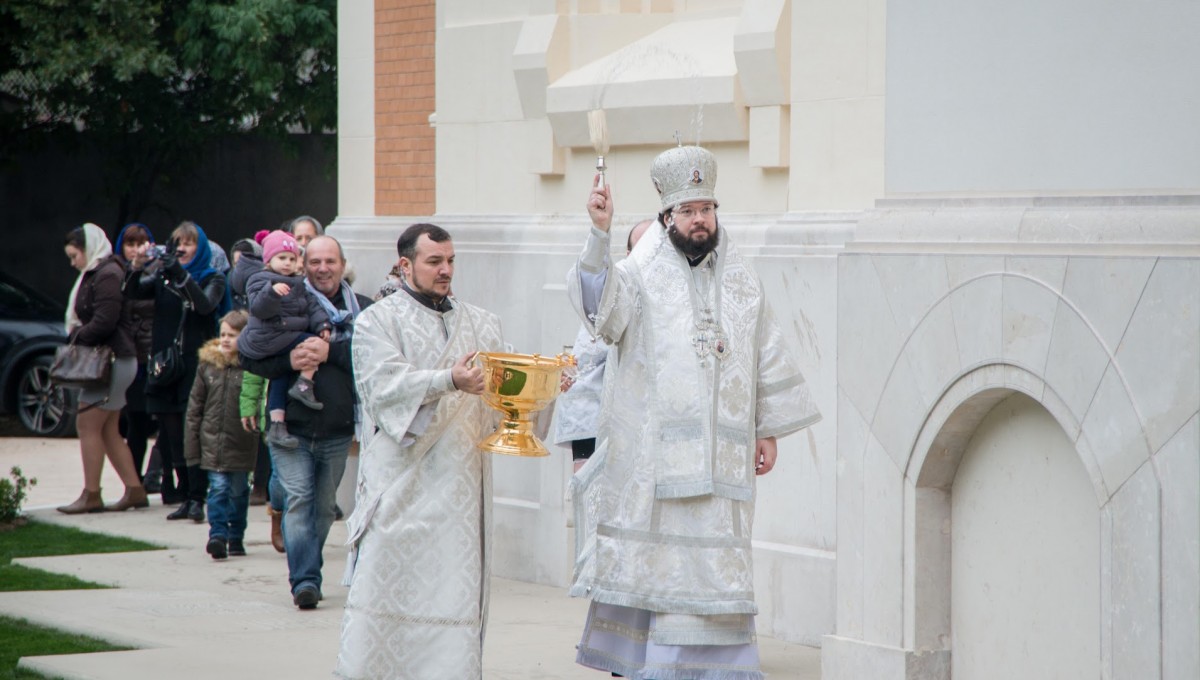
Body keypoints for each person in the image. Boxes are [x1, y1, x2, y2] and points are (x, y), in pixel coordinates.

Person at [566, 145, 822, 679]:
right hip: (652, 469)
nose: (700, 219)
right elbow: (601, 316)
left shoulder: (742, 277)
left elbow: (764, 348)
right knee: (657, 577)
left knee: (713, 578)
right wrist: (600, 234)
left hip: (722, 465)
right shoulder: (639, 272)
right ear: (668, 217)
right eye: (688, 211)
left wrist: (767, 429)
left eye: (707, 208)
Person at [335, 223, 504, 679]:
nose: (446, 270)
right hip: (402, 487)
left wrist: (541, 390)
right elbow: (382, 388)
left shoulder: (483, 323)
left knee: (453, 604)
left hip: (461, 493)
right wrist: (448, 379)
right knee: (387, 600)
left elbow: (501, 399)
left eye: (450, 261)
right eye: (435, 262)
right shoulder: (378, 321)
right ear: (405, 265)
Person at [239, 235, 371, 609]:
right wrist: (289, 363)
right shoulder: (283, 301)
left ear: (342, 265)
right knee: (298, 501)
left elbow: (373, 359)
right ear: (303, 265)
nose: (323, 269)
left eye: (330, 261)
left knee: (325, 507)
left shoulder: (364, 310)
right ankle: (305, 581)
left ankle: (307, 569)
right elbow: (250, 357)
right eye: (315, 262)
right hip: (290, 429)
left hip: (338, 427)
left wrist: (330, 351)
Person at [125, 221, 229, 522]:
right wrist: (138, 266)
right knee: (171, 434)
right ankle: (184, 493)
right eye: (176, 243)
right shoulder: (164, 277)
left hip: (193, 365)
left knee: (191, 431)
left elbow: (205, 306)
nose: (181, 248)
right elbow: (133, 293)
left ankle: (198, 496)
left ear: (202, 248)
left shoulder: (213, 277)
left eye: (188, 243)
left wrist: (180, 273)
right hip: (164, 364)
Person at [56, 224, 149, 514]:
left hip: (109, 362)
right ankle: (134, 490)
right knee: (108, 429)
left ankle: (91, 494)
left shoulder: (106, 273)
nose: (73, 263)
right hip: (115, 361)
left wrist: (76, 337)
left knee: (87, 425)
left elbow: (105, 321)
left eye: (74, 256)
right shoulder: (103, 271)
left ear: (88, 249)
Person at [555, 219, 652, 473]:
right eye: (644, 248)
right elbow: (584, 380)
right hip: (609, 441)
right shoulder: (616, 293)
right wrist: (584, 456)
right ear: (629, 255)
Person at [238, 230, 332, 448]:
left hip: (284, 336)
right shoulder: (260, 279)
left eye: (292, 258)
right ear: (268, 260)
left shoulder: (298, 283)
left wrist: (323, 324)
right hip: (271, 336)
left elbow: (313, 306)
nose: (288, 263)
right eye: (282, 258)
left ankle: (277, 425)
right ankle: (304, 384)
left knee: (279, 377)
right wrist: (271, 292)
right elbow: (259, 309)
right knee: (313, 344)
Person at [183, 309, 259, 559]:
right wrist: (192, 445)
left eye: (233, 335)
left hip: (242, 443)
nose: (225, 339)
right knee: (218, 489)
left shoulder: (252, 368)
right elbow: (195, 408)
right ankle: (217, 535)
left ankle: (236, 535)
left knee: (238, 492)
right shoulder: (208, 367)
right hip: (212, 442)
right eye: (223, 334)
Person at [113, 223, 157, 484]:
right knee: (135, 423)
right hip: (131, 356)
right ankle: (134, 482)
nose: (136, 250)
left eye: (141, 243)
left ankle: (155, 476)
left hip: (154, 355)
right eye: (130, 244)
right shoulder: (116, 272)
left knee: (163, 421)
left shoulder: (159, 271)